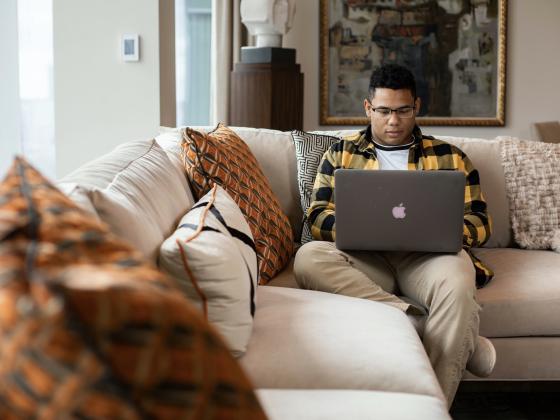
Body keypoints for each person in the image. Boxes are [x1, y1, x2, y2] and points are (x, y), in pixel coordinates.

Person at [293, 64, 496, 408]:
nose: (393, 121)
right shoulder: (341, 153)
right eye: (384, 111)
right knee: (307, 258)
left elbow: (479, 222)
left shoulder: (450, 157)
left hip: (430, 258)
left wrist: (442, 231)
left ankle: (429, 411)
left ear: (416, 107)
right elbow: (317, 217)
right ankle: (418, 323)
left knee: (459, 286)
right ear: (368, 108)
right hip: (366, 258)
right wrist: (364, 229)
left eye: (403, 111)